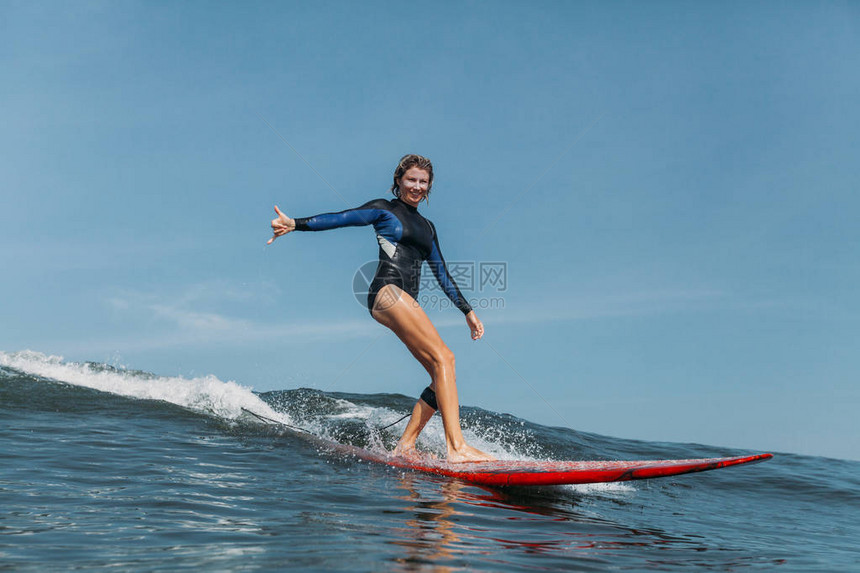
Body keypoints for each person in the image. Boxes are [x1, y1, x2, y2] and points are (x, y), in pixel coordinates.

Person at [267, 154, 494, 463]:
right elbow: (341, 217)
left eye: (423, 182)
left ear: (429, 187)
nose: (417, 186)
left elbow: (441, 272)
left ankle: (406, 446)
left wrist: (467, 311)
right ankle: (457, 448)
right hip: (387, 291)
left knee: (441, 376)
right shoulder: (384, 210)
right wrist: (295, 224)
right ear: (399, 180)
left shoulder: (428, 227)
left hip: (406, 300)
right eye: (411, 179)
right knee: (446, 358)